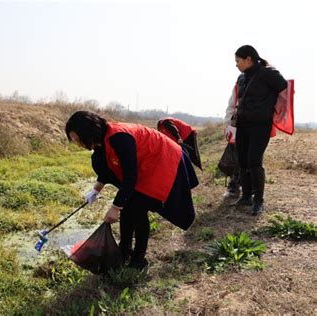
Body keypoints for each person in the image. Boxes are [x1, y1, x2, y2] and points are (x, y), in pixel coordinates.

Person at [65, 110, 198, 270]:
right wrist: (96, 189)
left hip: (162, 159)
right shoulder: (102, 140)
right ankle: (124, 251)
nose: (79, 144)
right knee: (129, 208)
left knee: (137, 208)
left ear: (88, 132)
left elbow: (130, 176)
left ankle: (138, 260)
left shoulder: (119, 137)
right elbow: (106, 169)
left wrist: (115, 207)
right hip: (144, 166)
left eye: (79, 140)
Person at [231, 45, 287, 215]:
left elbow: (286, 90)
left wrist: (277, 113)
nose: (236, 64)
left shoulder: (269, 74)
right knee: (243, 161)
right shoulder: (241, 78)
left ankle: (258, 201)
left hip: (260, 125)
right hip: (242, 125)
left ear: (248, 59)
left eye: (238, 61)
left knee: (254, 161)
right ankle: (246, 196)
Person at [222, 85, 241, 198]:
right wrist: (228, 124)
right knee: (235, 156)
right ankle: (233, 185)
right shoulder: (241, 82)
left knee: (253, 159)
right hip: (237, 124)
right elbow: (232, 105)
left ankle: (250, 188)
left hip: (257, 126)